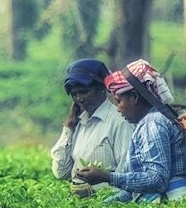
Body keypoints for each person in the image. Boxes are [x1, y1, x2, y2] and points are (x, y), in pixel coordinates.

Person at [76, 59, 186, 202]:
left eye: (119, 101)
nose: (118, 108)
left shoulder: (153, 123)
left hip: (174, 201)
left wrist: (107, 177)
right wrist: (106, 204)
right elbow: (140, 187)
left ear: (134, 97)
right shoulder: (148, 122)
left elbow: (157, 180)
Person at [50, 59, 134, 198]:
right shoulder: (79, 122)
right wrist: (68, 127)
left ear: (102, 88)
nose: (79, 99)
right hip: (79, 206)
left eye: (84, 92)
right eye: (74, 94)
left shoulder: (119, 122)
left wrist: (95, 192)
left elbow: (126, 176)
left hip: (106, 207)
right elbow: (61, 172)